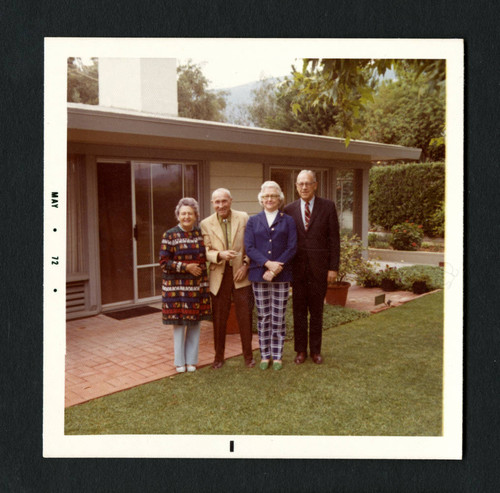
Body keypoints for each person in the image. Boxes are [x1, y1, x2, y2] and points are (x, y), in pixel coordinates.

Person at [283, 170, 340, 365]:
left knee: (316, 312)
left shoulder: (328, 207)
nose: (304, 187)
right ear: (296, 186)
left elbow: (334, 239)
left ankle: (315, 351)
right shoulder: (289, 209)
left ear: (315, 185)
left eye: (308, 183)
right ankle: (300, 351)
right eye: (300, 184)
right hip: (297, 271)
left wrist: (333, 268)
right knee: (298, 312)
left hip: (319, 270)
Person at [244, 181, 297, 370]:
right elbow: (249, 247)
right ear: (261, 199)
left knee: (278, 316)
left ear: (279, 198)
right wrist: (267, 264)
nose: (269, 199)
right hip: (259, 275)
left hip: (281, 276)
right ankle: (265, 355)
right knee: (263, 316)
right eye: (266, 196)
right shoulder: (253, 221)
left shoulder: (288, 220)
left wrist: (275, 268)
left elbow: (292, 247)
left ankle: (278, 354)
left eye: (273, 196)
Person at [200, 188, 255, 369]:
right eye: (217, 202)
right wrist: (219, 255)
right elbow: (204, 251)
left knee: (245, 317)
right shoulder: (205, 224)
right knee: (219, 318)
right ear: (212, 203)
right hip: (219, 276)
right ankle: (218, 358)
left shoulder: (244, 217)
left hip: (241, 274)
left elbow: (251, 245)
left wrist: (246, 264)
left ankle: (248, 357)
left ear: (231, 200)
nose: (221, 205)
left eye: (224, 201)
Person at [159, 197, 211, 373]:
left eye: (190, 213)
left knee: (195, 324)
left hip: (197, 287)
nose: (186, 217)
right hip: (176, 288)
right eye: (183, 214)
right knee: (180, 325)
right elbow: (164, 262)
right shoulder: (170, 235)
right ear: (178, 215)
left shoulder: (200, 234)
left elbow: (206, 257)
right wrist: (186, 267)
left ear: (195, 215)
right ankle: (179, 362)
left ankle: (192, 361)